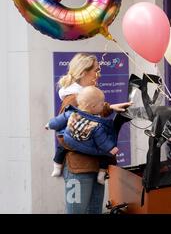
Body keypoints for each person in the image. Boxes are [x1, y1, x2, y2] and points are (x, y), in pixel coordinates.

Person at [51, 53, 131, 214]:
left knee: (94, 211)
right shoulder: (72, 100)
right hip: (78, 170)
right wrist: (98, 148)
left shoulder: (83, 97)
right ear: (83, 72)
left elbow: (90, 113)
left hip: (93, 168)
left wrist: (110, 108)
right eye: (96, 70)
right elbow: (63, 138)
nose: (98, 74)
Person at [48, 86, 120, 185]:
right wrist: (111, 148)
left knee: (61, 147)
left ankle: (57, 166)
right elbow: (102, 140)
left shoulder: (72, 113)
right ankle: (101, 174)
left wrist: (49, 125)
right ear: (93, 107)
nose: (103, 105)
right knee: (105, 154)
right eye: (102, 104)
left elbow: (59, 120)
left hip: (70, 140)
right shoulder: (96, 124)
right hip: (87, 148)